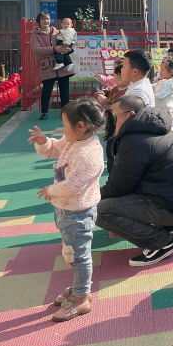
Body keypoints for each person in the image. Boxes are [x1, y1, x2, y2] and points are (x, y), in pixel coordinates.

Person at [97, 96, 173, 266]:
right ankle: (172, 228)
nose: (109, 118)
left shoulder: (134, 140)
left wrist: (92, 195)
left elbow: (118, 187)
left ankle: (161, 243)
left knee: (99, 210)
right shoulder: (156, 126)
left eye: (113, 114)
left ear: (130, 114)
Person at [28, 98, 105, 322]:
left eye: (64, 124)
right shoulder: (74, 141)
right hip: (67, 209)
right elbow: (56, 149)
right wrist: (44, 142)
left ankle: (81, 299)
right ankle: (80, 288)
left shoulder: (87, 154)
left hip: (78, 212)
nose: (62, 129)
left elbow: (72, 187)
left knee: (78, 256)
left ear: (80, 126)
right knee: (71, 252)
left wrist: (50, 190)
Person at [31, 12, 76, 120]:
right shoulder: (35, 36)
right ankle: (44, 112)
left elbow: (68, 43)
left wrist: (70, 49)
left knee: (65, 89)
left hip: (62, 65)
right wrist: (53, 49)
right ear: (39, 22)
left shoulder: (58, 32)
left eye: (47, 19)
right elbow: (36, 50)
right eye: (43, 19)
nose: (45, 21)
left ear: (50, 20)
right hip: (47, 66)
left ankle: (65, 112)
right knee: (47, 89)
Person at [153, 58, 173, 128]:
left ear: (171, 72)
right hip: (161, 114)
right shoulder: (163, 82)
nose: (160, 72)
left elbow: (158, 96)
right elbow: (152, 87)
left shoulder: (169, 83)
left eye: (162, 70)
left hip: (166, 115)